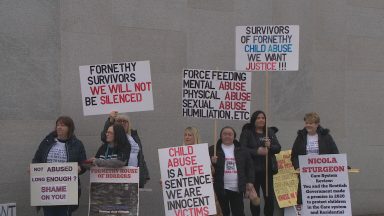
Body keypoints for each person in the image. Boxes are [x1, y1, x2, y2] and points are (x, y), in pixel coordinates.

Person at [32, 116, 87, 216]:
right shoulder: (47, 142)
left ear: (70, 128)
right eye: (57, 125)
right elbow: (37, 159)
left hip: (66, 190)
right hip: (48, 189)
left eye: (63, 125)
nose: (59, 127)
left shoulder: (77, 144)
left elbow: (84, 163)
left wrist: (80, 168)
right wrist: (34, 169)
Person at [291, 112, 339, 204]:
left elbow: (335, 153)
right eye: (306, 123)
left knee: (321, 198)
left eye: (311, 123)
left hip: (322, 174)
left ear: (317, 124)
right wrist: (297, 167)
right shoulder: (300, 137)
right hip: (305, 174)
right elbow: (294, 155)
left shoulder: (326, 137)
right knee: (304, 198)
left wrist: (341, 166)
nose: (308, 125)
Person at [240, 110, 281, 216]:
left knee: (269, 197)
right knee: (254, 197)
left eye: (263, 118)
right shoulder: (247, 133)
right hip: (252, 171)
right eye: (258, 118)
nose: (261, 120)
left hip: (267, 170)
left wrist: (270, 146)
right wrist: (257, 151)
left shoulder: (269, 132)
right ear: (254, 120)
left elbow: (278, 148)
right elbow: (242, 149)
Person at [209, 126, 254, 216]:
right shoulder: (213, 150)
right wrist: (212, 162)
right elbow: (206, 168)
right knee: (223, 213)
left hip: (237, 188)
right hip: (220, 188)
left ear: (234, 136)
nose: (227, 136)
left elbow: (250, 167)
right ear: (221, 136)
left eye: (230, 134)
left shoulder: (242, 150)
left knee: (239, 213)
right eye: (224, 134)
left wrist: (250, 181)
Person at [101, 111, 150, 187]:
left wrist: (145, 174)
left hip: (134, 176)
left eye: (125, 121)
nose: (122, 123)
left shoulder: (134, 136)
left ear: (129, 124)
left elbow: (140, 156)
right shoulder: (114, 137)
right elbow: (104, 137)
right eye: (119, 121)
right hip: (119, 175)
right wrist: (110, 121)